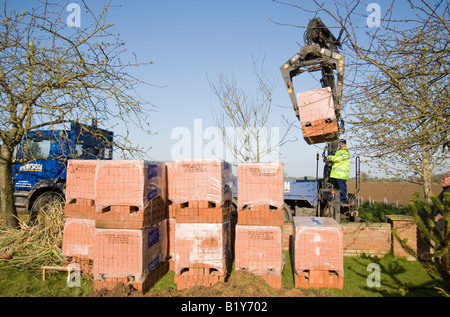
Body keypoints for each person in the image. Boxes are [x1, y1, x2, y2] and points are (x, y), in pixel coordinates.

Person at [326, 139, 350, 204]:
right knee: (337, 188)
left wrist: (328, 157)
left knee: (342, 188)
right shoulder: (339, 151)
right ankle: (337, 199)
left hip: (341, 174)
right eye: (339, 143)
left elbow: (337, 159)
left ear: (344, 144)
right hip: (336, 174)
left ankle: (343, 200)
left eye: (341, 143)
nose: (340, 144)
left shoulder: (345, 152)